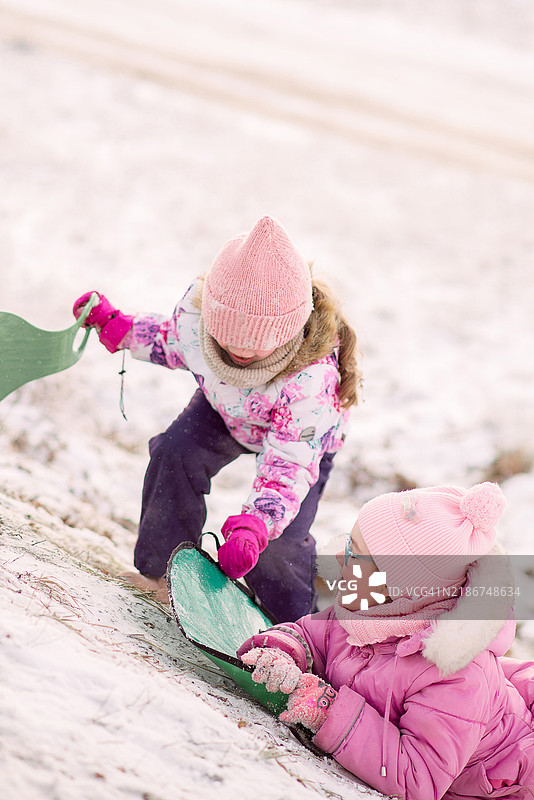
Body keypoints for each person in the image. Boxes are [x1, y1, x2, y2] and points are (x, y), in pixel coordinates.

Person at [74, 215, 361, 621]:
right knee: (174, 452)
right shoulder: (197, 318)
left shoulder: (311, 380)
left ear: (288, 331)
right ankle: (161, 573)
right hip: (225, 411)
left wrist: (255, 525)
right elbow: (169, 339)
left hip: (302, 441)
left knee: (279, 544)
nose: (239, 353)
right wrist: (116, 327)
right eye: (227, 340)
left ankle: (293, 628)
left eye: (255, 346)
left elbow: (287, 467)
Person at [237, 482, 534, 799]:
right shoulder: (369, 610)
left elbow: (415, 778)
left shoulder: (456, 677)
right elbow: (313, 636)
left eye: (356, 555)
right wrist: (283, 651)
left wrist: (329, 712)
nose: (341, 558)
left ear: (403, 589)